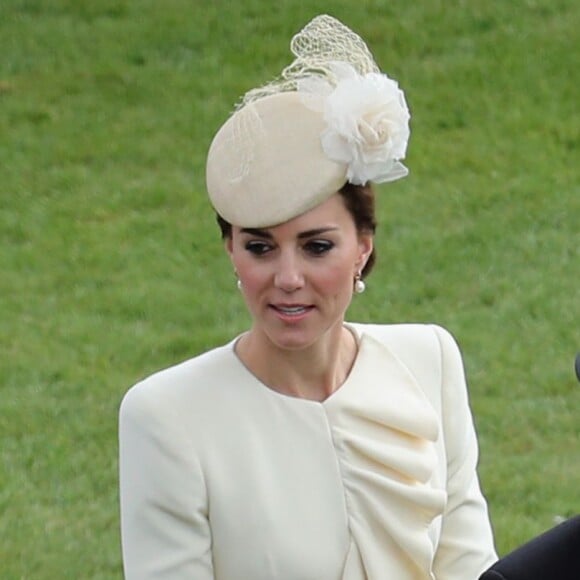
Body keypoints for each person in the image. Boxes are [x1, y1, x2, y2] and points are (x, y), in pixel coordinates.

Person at [119, 15, 497, 579]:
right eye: (260, 247)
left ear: (363, 249)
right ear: (231, 252)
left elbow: (472, 568)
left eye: (317, 247)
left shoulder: (430, 360)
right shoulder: (165, 415)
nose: (288, 277)